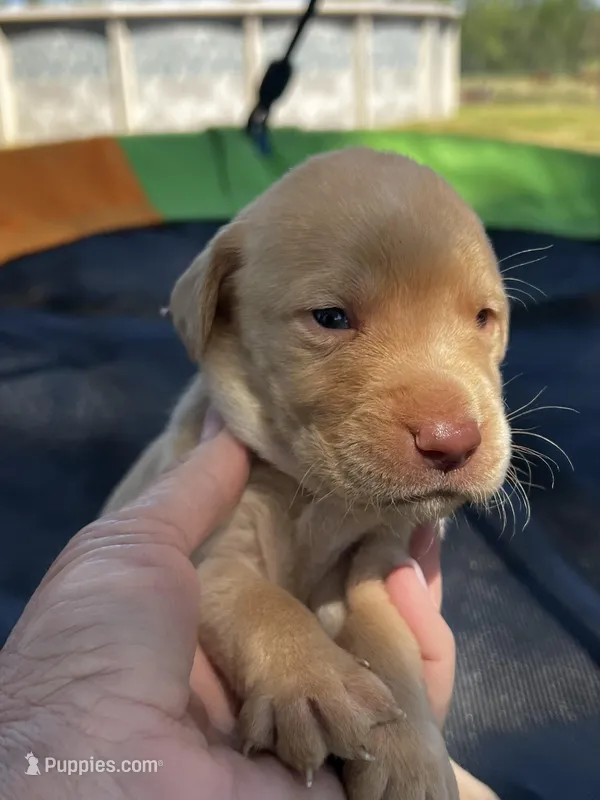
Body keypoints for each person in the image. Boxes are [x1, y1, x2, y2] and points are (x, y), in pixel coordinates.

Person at [0, 411, 455, 799]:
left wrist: (402, 709)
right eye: (331, 318)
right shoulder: (227, 451)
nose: (452, 427)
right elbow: (217, 575)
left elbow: (369, 590)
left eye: (482, 318)